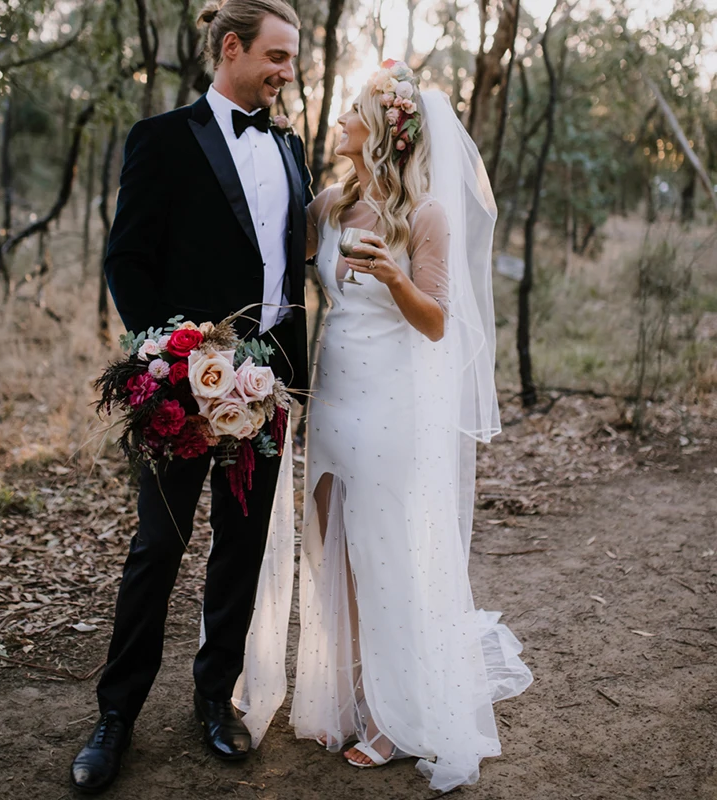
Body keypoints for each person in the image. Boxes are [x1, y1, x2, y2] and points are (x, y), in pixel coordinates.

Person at [69, 0, 311, 793]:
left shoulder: (291, 147)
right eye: (275, 56)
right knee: (158, 548)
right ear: (231, 47)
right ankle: (116, 716)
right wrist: (173, 357)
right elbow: (127, 261)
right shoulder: (162, 140)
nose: (285, 71)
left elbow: (289, 269)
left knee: (241, 546)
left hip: (268, 380)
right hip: (185, 382)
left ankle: (216, 699)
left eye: (291, 58)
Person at [290, 60, 533, 792]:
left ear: (383, 131)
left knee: (383, 555)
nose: (338, 124)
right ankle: (354, 696)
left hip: (391, 405)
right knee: (332, 551)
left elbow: (436, 325)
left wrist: (394, 279)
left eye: (350, 114)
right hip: (334, 396)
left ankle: (398, 719)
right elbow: (278, 267)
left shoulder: (424, 218)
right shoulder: (331, 204)